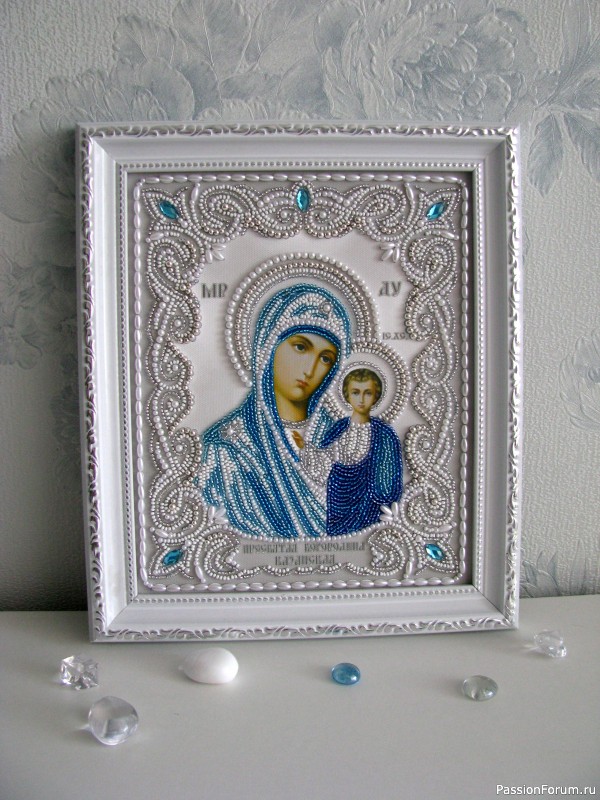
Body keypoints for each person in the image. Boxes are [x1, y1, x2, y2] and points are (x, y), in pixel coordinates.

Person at [198, 283, 352, 538]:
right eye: (300, 347)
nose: (311, 369)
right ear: (268, 346)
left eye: (326, 358)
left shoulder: (340, 437)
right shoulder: (226, 448)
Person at [295, 367, 403, 536]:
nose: (361, 399)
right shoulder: (339, 428)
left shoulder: (384, 433)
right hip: (338, 498)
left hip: (369, 503)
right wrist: (305, 448)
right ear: (347, 395)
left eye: (367, 393)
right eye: (355, 393)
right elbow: (324, 462)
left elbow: (389, 474)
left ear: (376, 396)